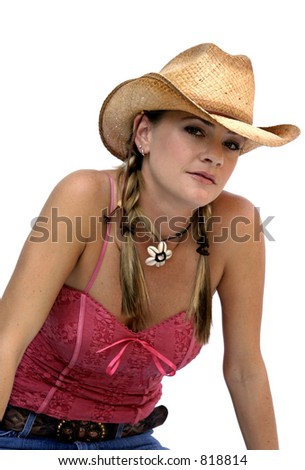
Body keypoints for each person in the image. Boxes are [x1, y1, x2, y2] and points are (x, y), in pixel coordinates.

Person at [0, 43, 300, 451]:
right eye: (195, 129)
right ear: (144, 132)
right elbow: (7, 340)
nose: (214, 156)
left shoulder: (238, 225)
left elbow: (245, 368)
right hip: (21, 436)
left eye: (230, 144)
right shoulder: (84, 197)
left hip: (134, 446)